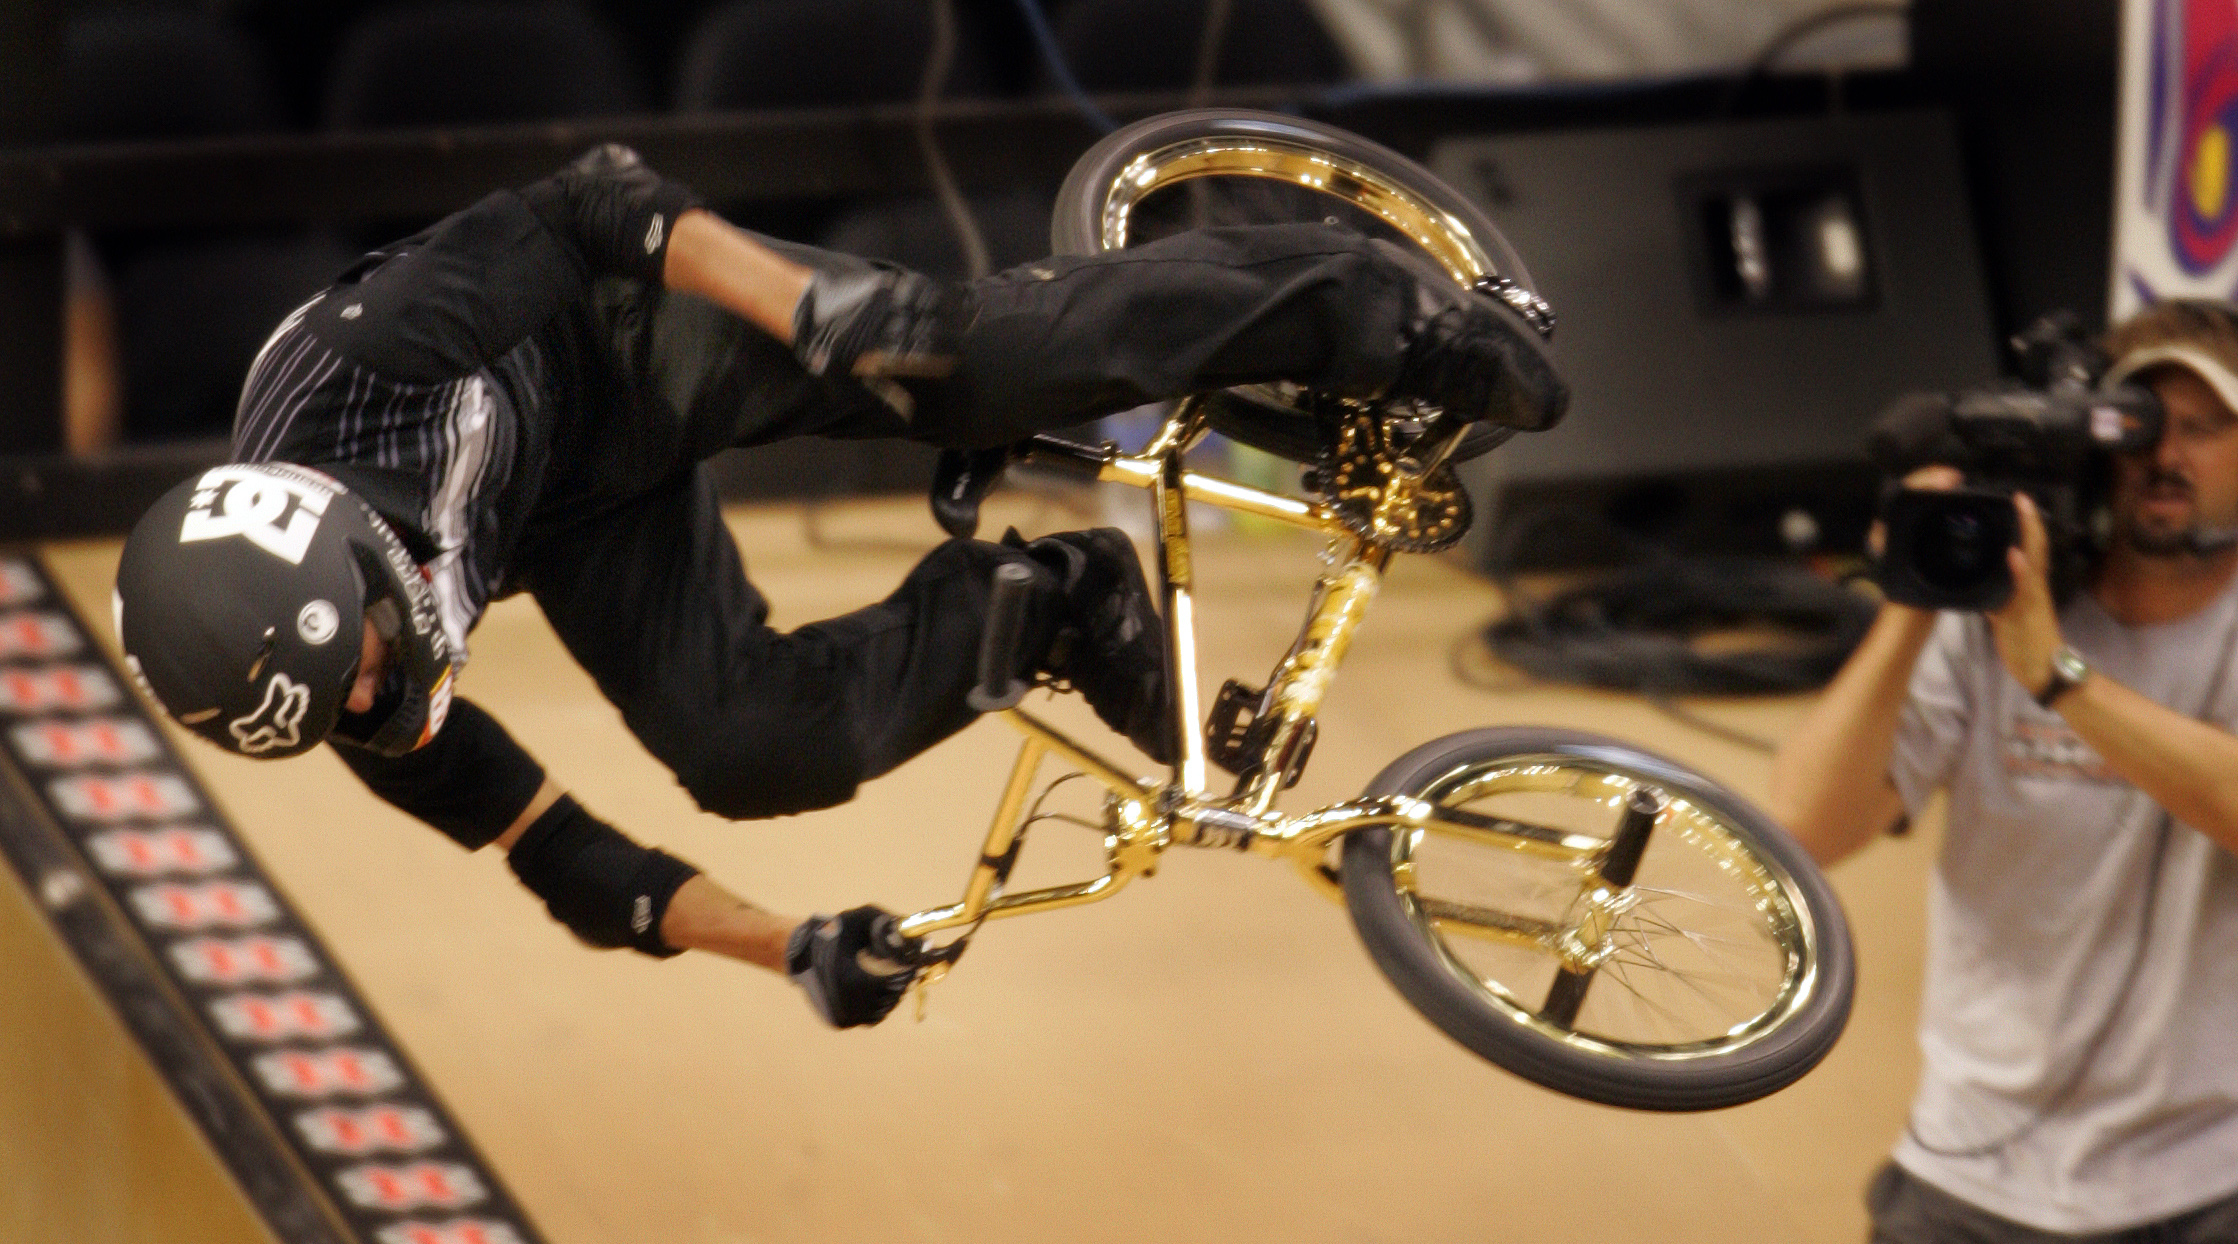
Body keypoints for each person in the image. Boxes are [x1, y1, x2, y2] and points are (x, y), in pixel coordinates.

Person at [111, 145, 1566, 1030]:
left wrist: (812, 308)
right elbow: (562, 856)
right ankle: (1066, 605)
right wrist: (787, 950)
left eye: (363, 660)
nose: (381, 696)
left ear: (345, 556)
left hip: (615, 327)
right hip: (574, 508)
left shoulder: (372, 357)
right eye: (346, 710)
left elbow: (589, 207)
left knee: (954, 365)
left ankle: (1388, 310)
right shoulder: (351, 699)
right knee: (751, 752)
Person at [1770, 300, 2238, 1244]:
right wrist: (1912, 601)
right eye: (2138, 420)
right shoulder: (1997, 617)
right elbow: (1802, 825)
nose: (2165, 452)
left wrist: (2058, 678)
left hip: (2206, 1210)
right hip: (1967, 1195)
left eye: (2206, 425)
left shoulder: (2040, 646)